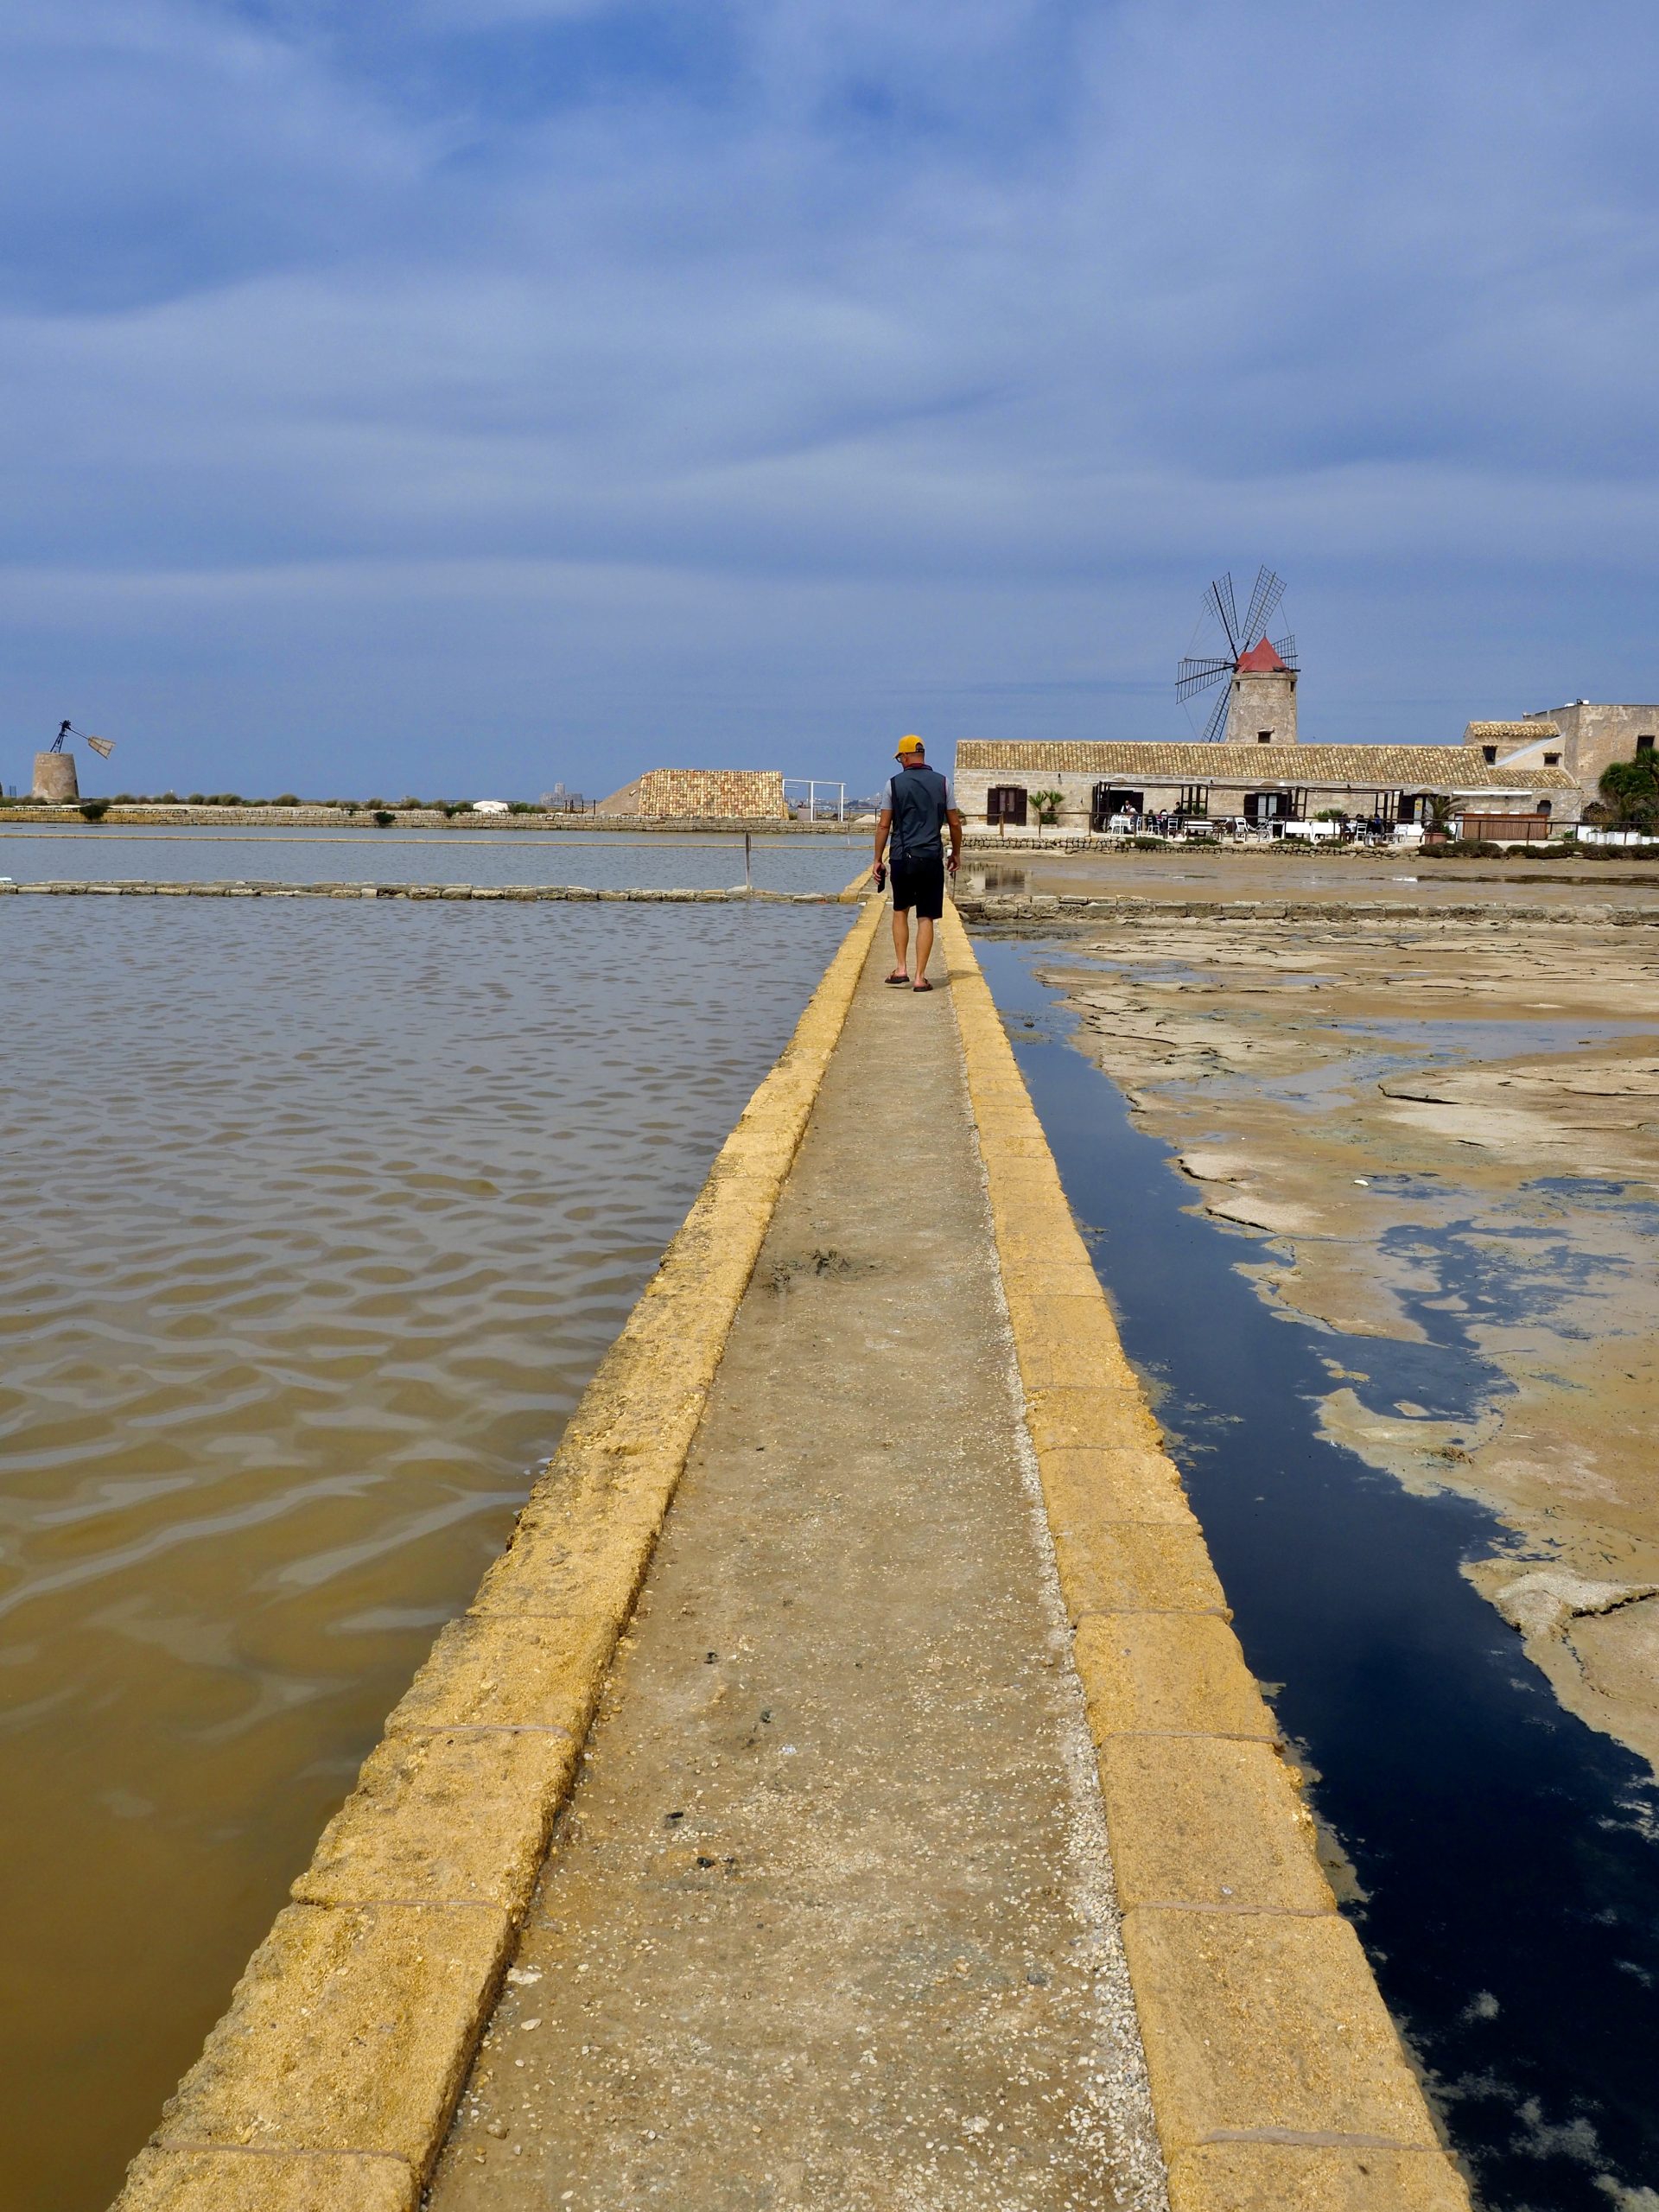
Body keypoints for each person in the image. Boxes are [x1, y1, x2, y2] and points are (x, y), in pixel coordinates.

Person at [873, 735, 962, 992]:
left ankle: (901, 969)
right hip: (931, 858)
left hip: (902, 857)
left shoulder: (893, 785)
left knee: (900, 910)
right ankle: (921, 978)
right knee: (926, 917)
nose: (900, 761)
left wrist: (877, 859)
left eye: (900, 757)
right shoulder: (944, 783)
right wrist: (955, 853)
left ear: (906, 756)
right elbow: (954, 824)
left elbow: (883, 825)